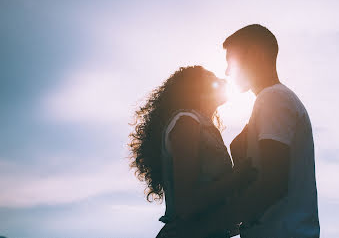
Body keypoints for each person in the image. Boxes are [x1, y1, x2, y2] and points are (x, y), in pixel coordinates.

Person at [160, 24, 320, 238]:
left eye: (230, 61)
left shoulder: (273, 98)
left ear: (254, 54)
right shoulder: (270, 102)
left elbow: (272, 185)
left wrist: (201, 228)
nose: (227, 71)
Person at [129, 66, 256, 238]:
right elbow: (186, 205)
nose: (224, 81)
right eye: (212, 78)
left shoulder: (201, 125)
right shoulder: (187, 123)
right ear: (196, 89)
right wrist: (237, 177)